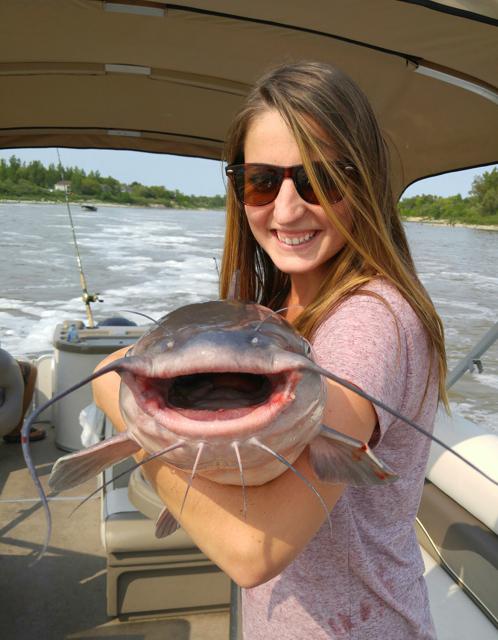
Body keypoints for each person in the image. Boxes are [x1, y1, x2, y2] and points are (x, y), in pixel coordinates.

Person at [93, 61, 447, 639]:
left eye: (320, 181)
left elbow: (253, 550)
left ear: (366, 184)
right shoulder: (274, 311)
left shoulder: (370, 321)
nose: (285, 210)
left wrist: (133, 420)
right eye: (262, 181)